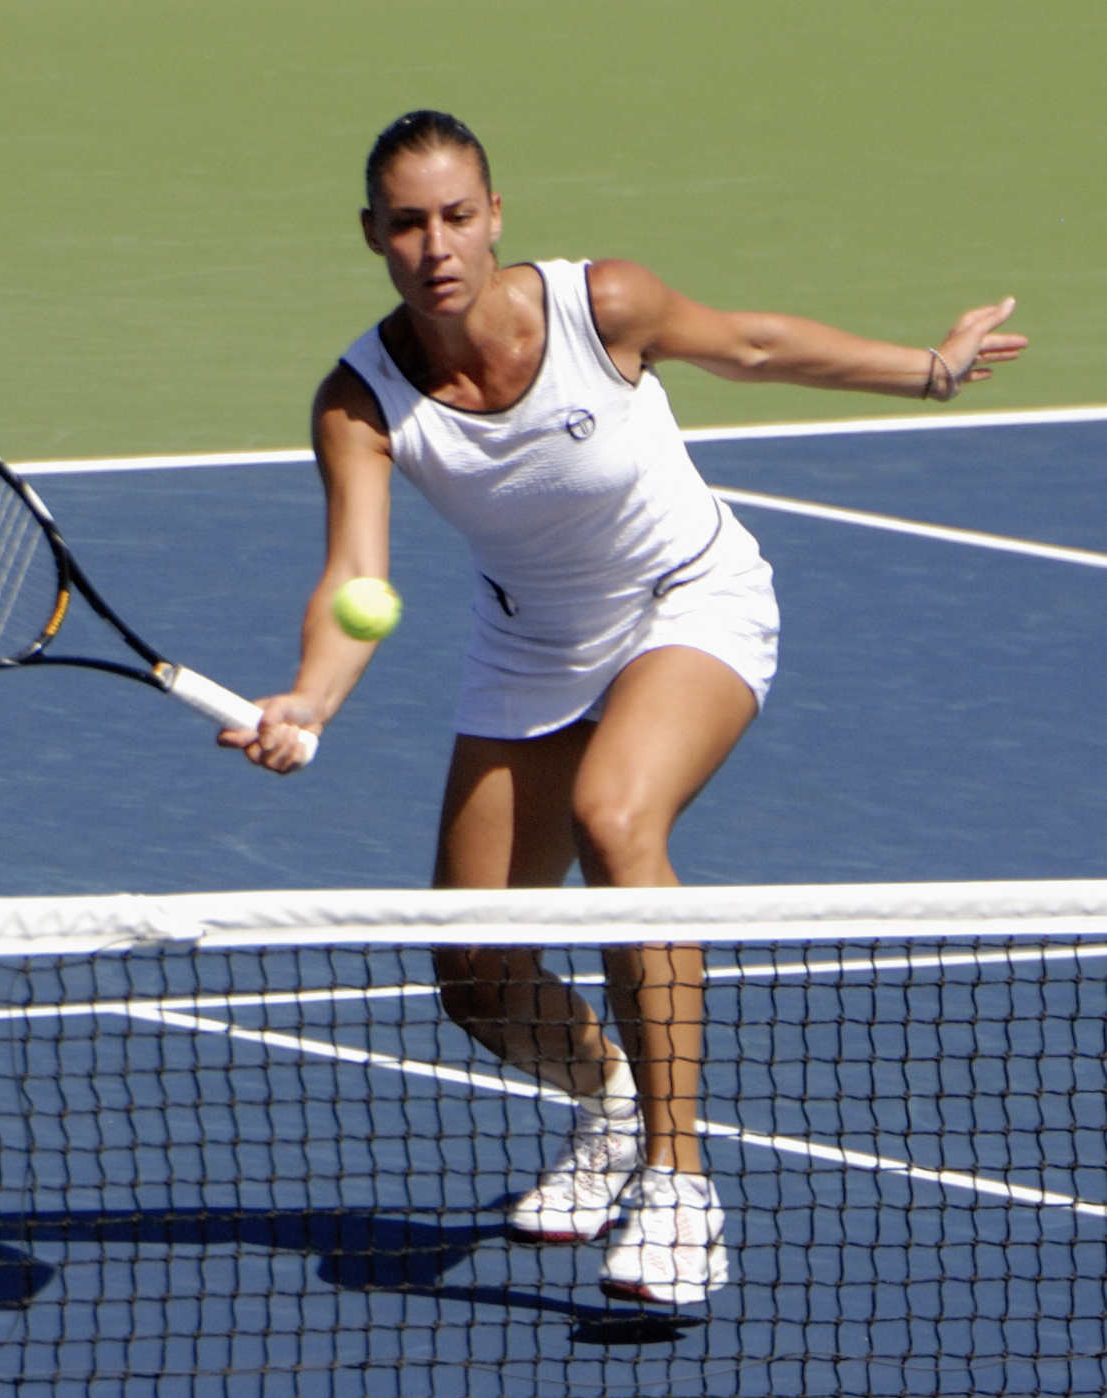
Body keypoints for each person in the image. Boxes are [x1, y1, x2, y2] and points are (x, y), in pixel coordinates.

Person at [221, 111, 1026, 1306]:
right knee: (475, 976)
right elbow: (360, 581)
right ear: (373, 237)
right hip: (532, 649)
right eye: (408, 223)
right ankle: (607, 1103)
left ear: (496, 216)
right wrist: (313, 699)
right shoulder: (362, 398)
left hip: (690, 602)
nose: (436, 244)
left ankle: (677, 1185)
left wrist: (931, 367)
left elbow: (750, 344)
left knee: (616, 813)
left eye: (456, 215)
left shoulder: (603, 306)